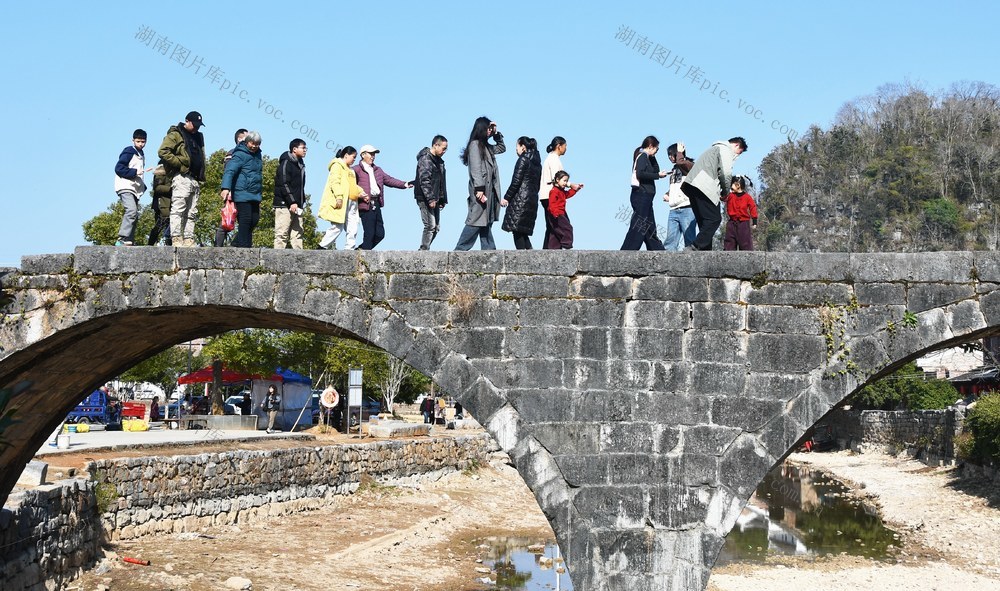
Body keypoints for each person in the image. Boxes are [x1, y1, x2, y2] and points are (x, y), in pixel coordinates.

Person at [681, 137, 748, 250]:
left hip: (692, 185)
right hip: (704, 186)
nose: (737, 156)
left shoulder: (714, 149)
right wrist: (726, 192)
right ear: (736, 145)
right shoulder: (725, 149)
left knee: (704, 222)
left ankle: (704, 251)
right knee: (714, 219)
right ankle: (695, 246)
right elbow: (726, 173)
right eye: (739, 153)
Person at [456, 117, 505, 250]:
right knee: (476, 219)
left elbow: (501, 148)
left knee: (486, 221)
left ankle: (489, 251)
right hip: (481, 189)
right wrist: (479, 189)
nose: (489, 131)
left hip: (489, 190)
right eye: (488, 128)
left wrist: (496, 134)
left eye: (490, 129)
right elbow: (476, 168)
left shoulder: (486, 146)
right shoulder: (475, 145)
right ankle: (459, 250)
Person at [158, 111, 207, 247]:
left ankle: (188, 238)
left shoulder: (199, 137)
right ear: (187, 121)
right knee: (178, 208)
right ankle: (176, 238)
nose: (197, 128)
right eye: (195, 124)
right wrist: (180, 163)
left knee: (192, 212)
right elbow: (163, 151)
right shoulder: (176, 134)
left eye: (199, 125)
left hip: (195, 178)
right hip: (182, 177)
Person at [353, 144, 411, 250]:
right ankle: (363, 256)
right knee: (369, 233)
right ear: (363, 155)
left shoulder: (377, 170)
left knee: (380, 234)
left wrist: (405, 184)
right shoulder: (356, 170)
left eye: (374, 154)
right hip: (365, 204)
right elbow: (351, 186)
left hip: (377, 203)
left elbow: (389, 180)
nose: (373, 156)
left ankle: (360, 251)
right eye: (371, 154)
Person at [621, 136, 668, 250]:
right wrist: (658, 176)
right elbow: (640, 174)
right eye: (656, 148)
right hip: (641, 194)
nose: (657, 151)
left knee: (649, 225)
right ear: (651, 146)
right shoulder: (642, 157)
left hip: (647, 196)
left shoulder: (647, 157)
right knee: (640, 224)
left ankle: (656, 248)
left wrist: (653, 157)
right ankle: (628, 250)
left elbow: (656, 169)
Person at [220, 130, 263, 248]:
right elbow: (230, 171)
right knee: (245, 220)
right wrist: (225, 188)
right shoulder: (239, 154)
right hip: (241, 192)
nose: (254, 146)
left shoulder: (258, 155)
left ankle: (238, 243)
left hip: (254, 194)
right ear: (247, 142)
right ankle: (244, 247)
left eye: (257, 144)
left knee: (254, 220)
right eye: (252, 143)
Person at [318, 146, 366, 249]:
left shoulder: (351, 170)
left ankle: (349, 248)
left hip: (352, 201)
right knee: (337, 227)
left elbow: (352, 185)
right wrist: (339, 197)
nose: (354, 159)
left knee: (353, 226)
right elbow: (335, 182)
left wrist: (361, 192)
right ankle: (322, 247)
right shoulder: (337, 166)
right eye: (353, 157)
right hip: (342, 201)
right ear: (346, 155)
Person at [500, 136, 542, 249]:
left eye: (517, 146)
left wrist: (506, 198)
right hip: (532, 199)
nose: (516, 149)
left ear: (523, 147)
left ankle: (523, 262)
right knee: (523, 232)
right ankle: (531, 258)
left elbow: (516, 182)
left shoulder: (523, 159)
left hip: (520, 200)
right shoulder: (537, 163)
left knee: (517, 231)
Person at [114, 129, 149, 246]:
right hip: (125, 186)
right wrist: (134, 172)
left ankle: (129, 240)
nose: (141, 144)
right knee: (131, 211)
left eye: (143, 142)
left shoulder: (141, 154)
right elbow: (119, 168)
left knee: (135, 215)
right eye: (138, 141)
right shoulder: (129, 152)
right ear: (133, 140)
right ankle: (122, 238)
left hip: (135, 189)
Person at [414, 135, 448, 250]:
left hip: (436, 198)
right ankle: (423, 251)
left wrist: (442, 199)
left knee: (436, 227)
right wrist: (430, 198)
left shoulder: (438, 161)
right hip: (425, 198)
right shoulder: (426, 159)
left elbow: (440, 181)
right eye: (443, 148)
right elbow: (424, 180)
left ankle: (425, 249)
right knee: (430, 226)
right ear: (435, 145)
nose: (445, 151)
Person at [215, 129, 248, 247]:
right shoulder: (232, 153)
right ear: (239, 139)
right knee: (227, 220)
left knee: (247, 222)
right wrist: (227, 190)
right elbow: (228, 172)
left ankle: (235, 245)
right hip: (234, 193)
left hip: (246, 194)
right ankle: (217, 248)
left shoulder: (250, 154)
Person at [274, 138, 308, 249]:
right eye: (303, 148)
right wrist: (292, 201)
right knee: (281, 234)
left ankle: (299, 260)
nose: (305, 150)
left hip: (297, 206)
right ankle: (276, 261)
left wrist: (300, 202)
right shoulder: (286, 163)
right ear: (294, 149)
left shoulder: (300, 165)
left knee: (297, 234)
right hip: (284, 204)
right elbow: (284, 183)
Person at [663, 142, 697, 251]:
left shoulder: (688, 166)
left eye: (671, 154)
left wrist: (680, 153)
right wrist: (668, 194)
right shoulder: (674, 170)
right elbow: (677, 186)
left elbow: (682, 164)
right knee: (670, 240)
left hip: (687, 208)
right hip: (673, 209)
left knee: (689, 239)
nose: (669, 157)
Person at [540, 136, 566, 249]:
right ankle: (554, 249)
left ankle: (547, 249)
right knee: (560, 224)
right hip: (552, 196)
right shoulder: (554, 160)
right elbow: (558, 178)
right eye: (565, 146)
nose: (566, 149)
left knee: (551, 225)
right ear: (559, 146)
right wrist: (570, 185)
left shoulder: (549, 158)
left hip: (546, 195)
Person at [547, 171, 583, 249]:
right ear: (557, 180)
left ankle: (553, 247)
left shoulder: (561, 191)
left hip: (560, 213)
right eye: (564, 181)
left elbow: (568, 194)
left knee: (555, 230)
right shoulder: (554, 191)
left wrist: (576, 189)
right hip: (557, 213)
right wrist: (555, 213)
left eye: (566, 181)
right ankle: (567, 244)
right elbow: (551, 204)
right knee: (567, 228)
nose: (565, 183)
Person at [723, 176, 758, 251]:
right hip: (731, 223)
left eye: (732, 184)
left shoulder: (747, 197)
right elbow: (723, 197)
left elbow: (752, 207)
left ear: (737, 185)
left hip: (743, 224)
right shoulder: (730, 196)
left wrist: (754, 221)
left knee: (745, 243)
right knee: (729, 243)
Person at [147, 164, 172, 246]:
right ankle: (150, 245)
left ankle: (168, 244)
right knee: (159, 226)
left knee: (171, 226)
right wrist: (172, 189)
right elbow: (157, 187)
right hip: (162, 204)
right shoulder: (161, 170)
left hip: (172, 203)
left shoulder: (176, 169)